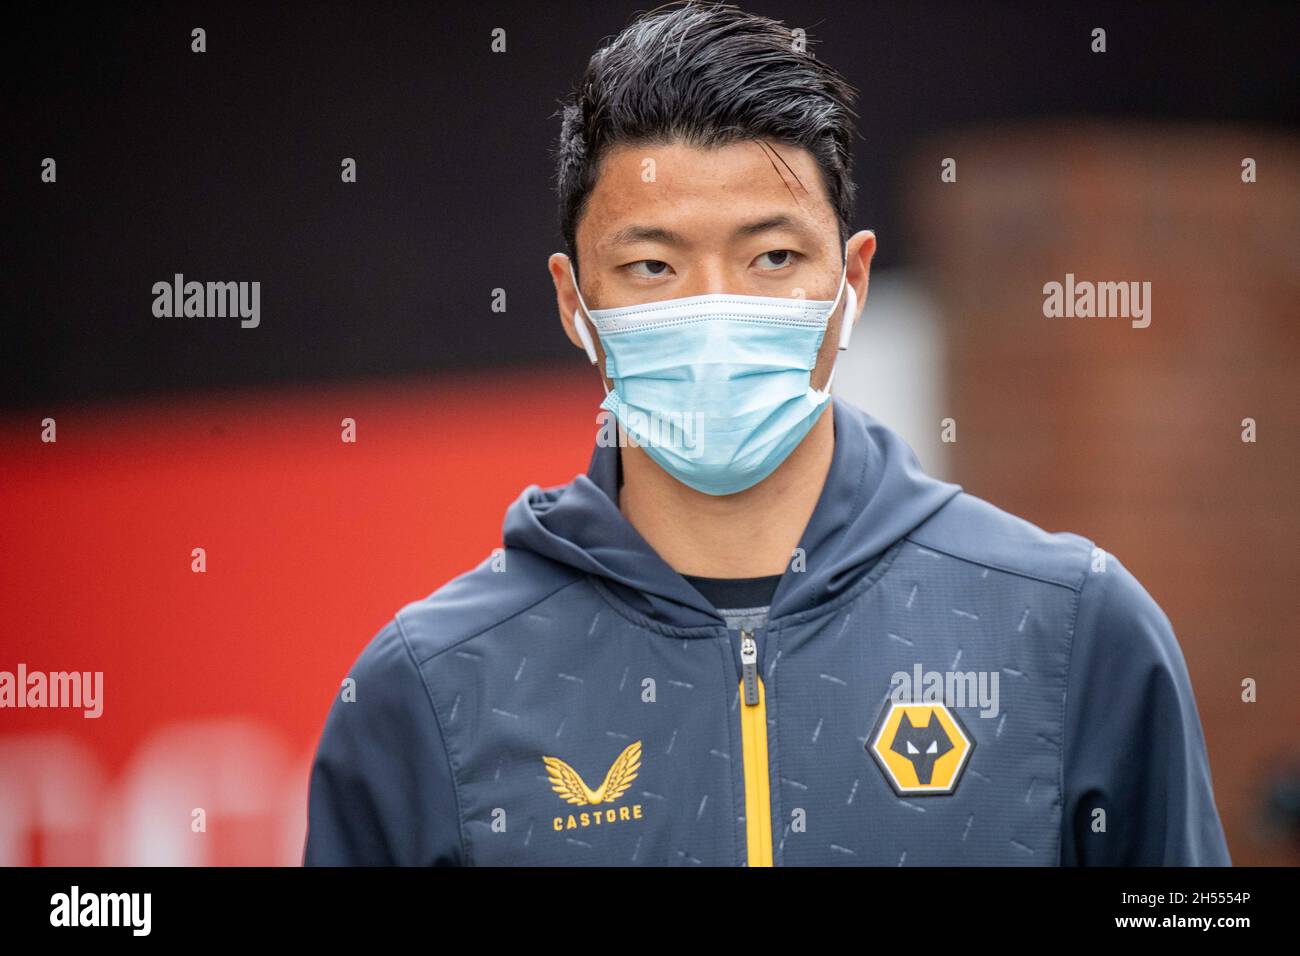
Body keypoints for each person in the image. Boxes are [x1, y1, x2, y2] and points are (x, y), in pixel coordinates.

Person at [303, 0, 1230, 866]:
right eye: (653, 265)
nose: (716, 311)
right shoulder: (428, 693)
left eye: (773, 257)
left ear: (851, 284)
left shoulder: (1069, 630)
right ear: (572, 301)